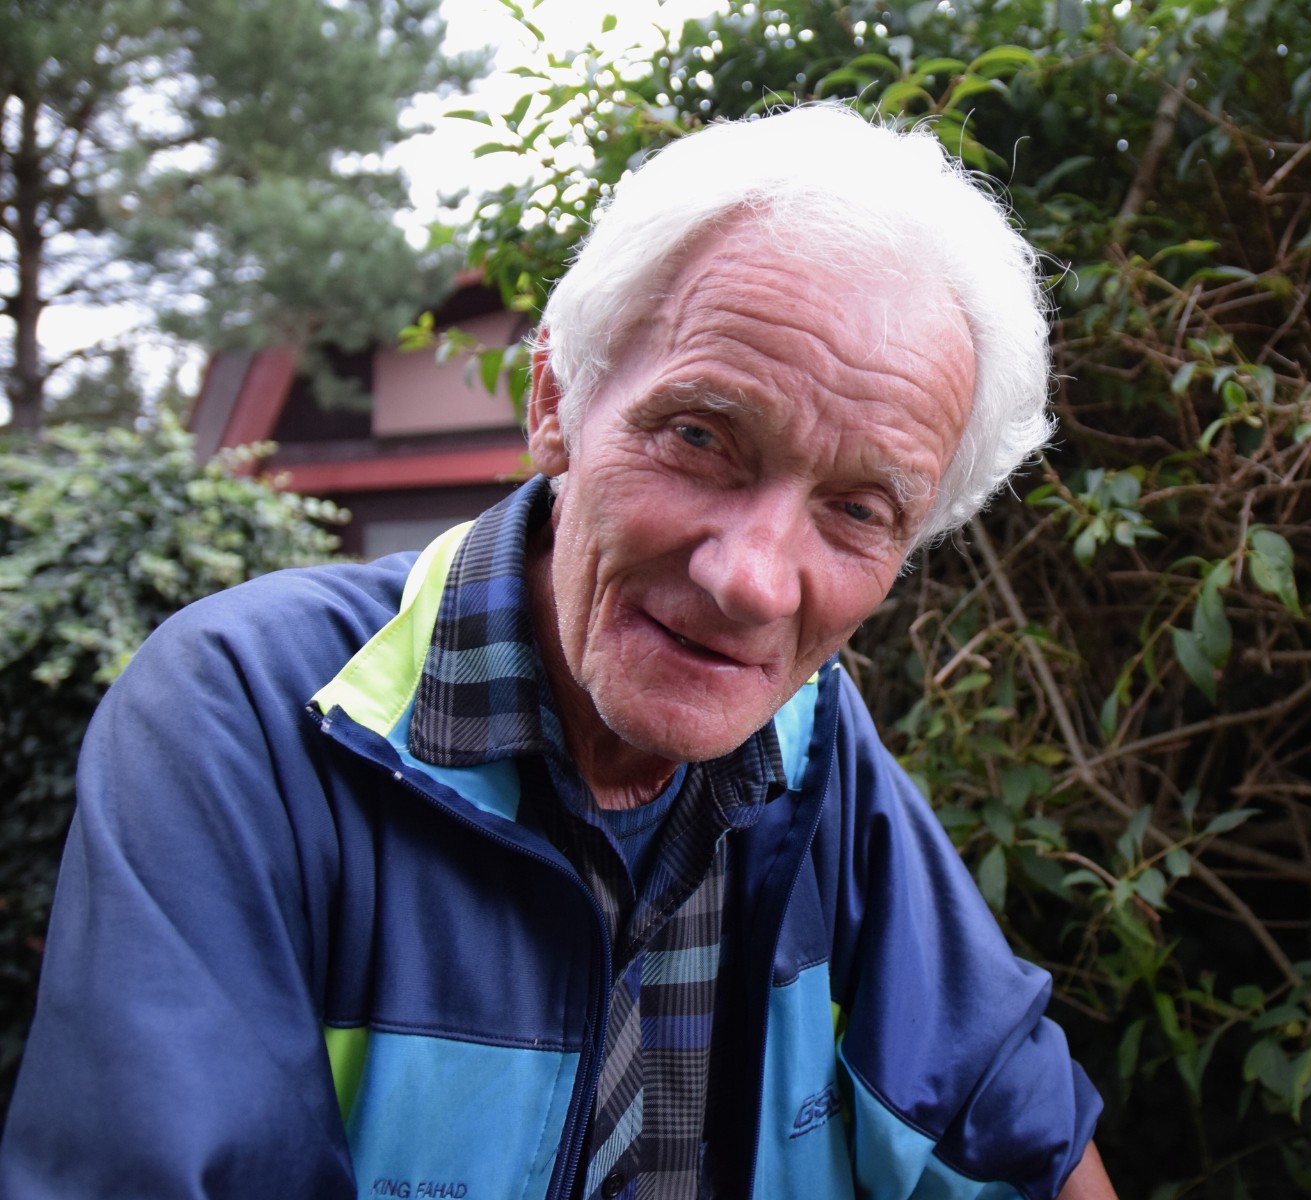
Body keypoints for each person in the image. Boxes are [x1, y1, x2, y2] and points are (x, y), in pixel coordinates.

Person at [0, 105, 1114, 1200]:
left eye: (860, 510)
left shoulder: (814, 743)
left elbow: (1020, 1135)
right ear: (555, 402)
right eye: (700, 436)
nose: (753, 580)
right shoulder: (244, 717)